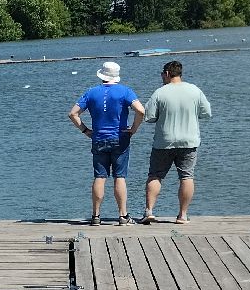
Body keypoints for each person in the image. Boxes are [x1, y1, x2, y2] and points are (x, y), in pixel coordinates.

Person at [69, 61, 145, 226]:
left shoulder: (91, 93)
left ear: (102, 75)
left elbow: (73, 113)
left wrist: (85, 130)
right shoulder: (125, 91)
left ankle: (96, 216)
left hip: (98, 139)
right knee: (120, 177)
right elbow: (141, 110)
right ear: (116, 76)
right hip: (120, 139)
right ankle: (123, 216)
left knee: (100, 177)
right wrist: (133, 128)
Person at [142, 60, 212, 225]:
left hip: (163, 141)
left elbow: (149, 117)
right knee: (187, 177)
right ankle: (182, 215)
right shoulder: (194, 90)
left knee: (155, 175)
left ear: (167, 74)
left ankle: (149, 211)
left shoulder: (160, 92)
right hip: (189, 141)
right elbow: (206, 113)